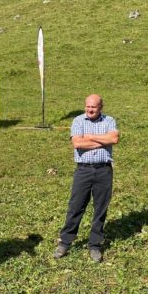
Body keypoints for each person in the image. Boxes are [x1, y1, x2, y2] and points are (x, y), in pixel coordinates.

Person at [54, 94, 119, 263]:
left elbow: (114, 138)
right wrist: (102, 141)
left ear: (100, 107)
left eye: (94, 107)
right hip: (83, 170)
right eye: (88, 106)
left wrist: (90, 137)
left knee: (100, 209)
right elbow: (77, 143)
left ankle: (95, 245)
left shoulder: (109, 120)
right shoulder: (78, 121)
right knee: (76, 206)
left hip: (104, 170)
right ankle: (65, 241)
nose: (90, 109)